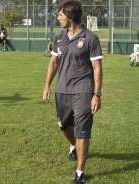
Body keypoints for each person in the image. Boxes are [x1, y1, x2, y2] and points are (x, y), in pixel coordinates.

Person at [42, 1, 103, 184]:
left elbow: (97, 68)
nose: (58, 18)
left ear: (70, 16)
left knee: (82, 130)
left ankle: (79, 172)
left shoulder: (90, 38)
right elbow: (53, 63)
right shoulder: (59, 36)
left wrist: (96, 94)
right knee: (62, 125)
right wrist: (47, 85)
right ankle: (73, 146)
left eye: (60, 15)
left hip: (83, 90)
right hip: (62, 90)